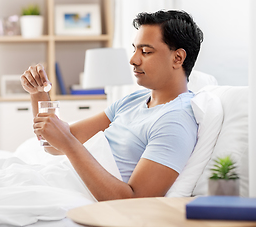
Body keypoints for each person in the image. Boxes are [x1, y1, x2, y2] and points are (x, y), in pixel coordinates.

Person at [20, 10, 203, 201]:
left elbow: (133, 201)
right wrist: (38, 93)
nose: (133, 60)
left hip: (72, 194)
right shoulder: (133, 101)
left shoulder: (175, 122)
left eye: (146, 52)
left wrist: (67, 142)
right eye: (135, 49)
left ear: (178, 58)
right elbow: (53, 145)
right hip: (55, 180)